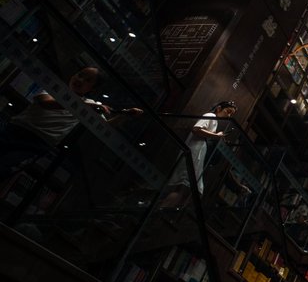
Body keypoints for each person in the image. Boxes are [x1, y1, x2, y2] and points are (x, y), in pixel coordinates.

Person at [1, 66, 142, 178]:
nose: (80, 80)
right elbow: (46, 103)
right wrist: (86, 106)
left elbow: (105, 127)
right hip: (15, 130)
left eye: (88, 80)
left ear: (92, 88)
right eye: (80, 74)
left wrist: (125, 114)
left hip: (38, 144)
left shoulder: (89, 104)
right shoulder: (56, 88)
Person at [163, 101, 238, 202]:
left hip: (197, 153)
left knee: (187, 188)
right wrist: (216, 135)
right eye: (228, 111)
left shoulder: (214, 120)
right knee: (183, 185)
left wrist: (216, 136)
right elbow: (196, 129)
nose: (228, 115)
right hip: (194, 151)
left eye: (230, 114)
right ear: (219, 108)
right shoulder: (210, 115)